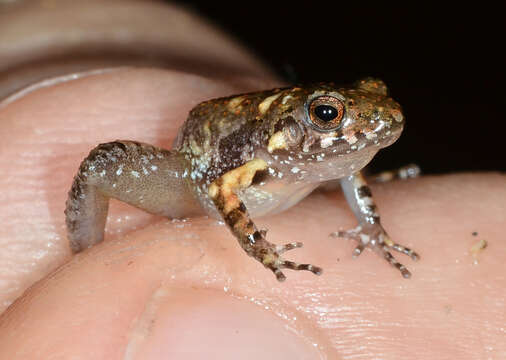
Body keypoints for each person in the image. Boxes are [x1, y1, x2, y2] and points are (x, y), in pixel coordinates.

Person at [0, 1, 504, 358]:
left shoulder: (343, 156)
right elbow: (223, 187)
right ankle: (85, 254)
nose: (374, 119)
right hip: (195, 174)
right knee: (101, 166)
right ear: (301, 119)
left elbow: (352, 172)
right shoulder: (262, 152)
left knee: (345, 166)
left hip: (294, 177)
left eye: (377, 97)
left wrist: (372, 226)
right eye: (329, 114)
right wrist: (262, 250)